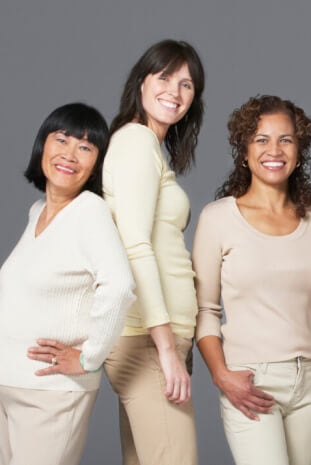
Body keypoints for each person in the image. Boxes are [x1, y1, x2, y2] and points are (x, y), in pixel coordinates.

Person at [193, 95, 311, 465]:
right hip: (249, 379)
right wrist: (221, 375)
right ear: (244, 151)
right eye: (261, 139)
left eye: (286, 140)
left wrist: (310, 330)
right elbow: (206, 309)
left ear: (299, 150)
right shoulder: (218, 218)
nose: (274, 150)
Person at [0, 103, 135, 465]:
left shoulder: (89, 210)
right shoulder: (36, 212)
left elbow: (120, 286)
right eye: (61, 139)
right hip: (8, 383)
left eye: (86, 148)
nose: (70, 154)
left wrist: (90, 357)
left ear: (96, 164)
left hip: (50, 392)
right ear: (43, 145)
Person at [101, 39, 205, 465]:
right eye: (165, 78)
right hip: (147, 341)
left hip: (155, 338)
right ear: (141, 83)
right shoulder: (135, 141)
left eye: (187, 85)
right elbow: (135, 246)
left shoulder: (149, 149)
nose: (175, 92)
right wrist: (165, 348)